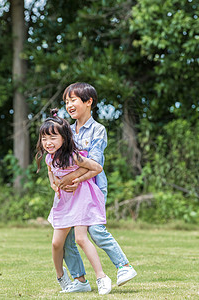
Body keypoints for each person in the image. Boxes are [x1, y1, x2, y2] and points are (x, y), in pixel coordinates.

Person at [55, 82, 137, 293]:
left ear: (88, 101)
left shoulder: (98, 130)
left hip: (93, 186)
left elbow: (95, 164)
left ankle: (124, 266)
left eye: (73, 100)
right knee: (68, 239)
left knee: (96, 231)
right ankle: (81, 281)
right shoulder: (67, 130)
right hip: (72, 191)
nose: (69, 105)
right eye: (66, 102)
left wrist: (72, 177)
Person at [35, 108, 112, 295]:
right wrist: (54, 185)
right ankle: (62, 278)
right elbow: (51, 173)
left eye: (53, 138)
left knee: (80, 238)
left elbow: (97, 168)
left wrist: (77, 180)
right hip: (63, 202)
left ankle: (102, 277)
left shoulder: (74, 156)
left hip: (81, 199)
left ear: (64, 138)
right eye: (44, 138)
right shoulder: (49, 158)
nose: (48, 142)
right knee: (55, 243)